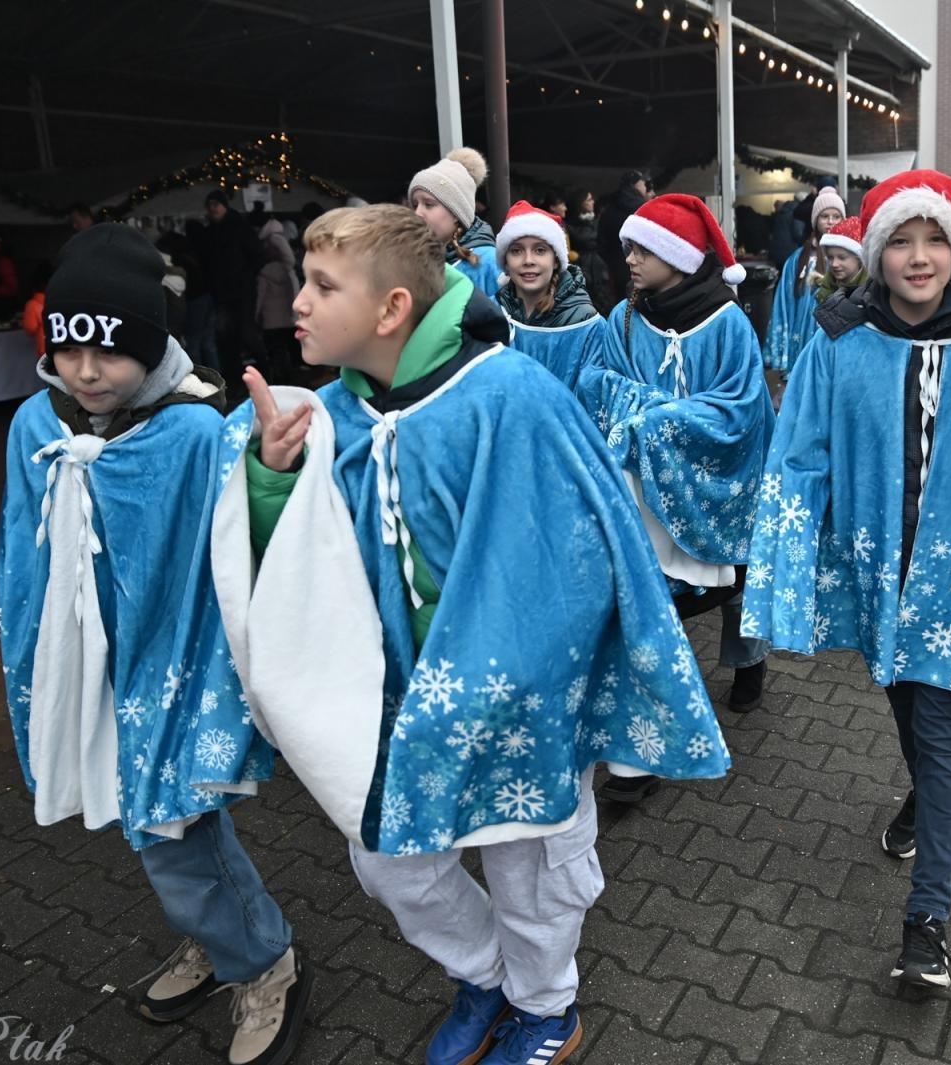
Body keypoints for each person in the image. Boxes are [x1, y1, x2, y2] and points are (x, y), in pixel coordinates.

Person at [217, 204, 730, 1065]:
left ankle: (546, 1008)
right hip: (392, 705)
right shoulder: (324, 417)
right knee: (389, 860)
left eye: (321, 285)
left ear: (391, 310)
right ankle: (487, 976)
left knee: (531, 873)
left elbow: (577, 558)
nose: (296, 303)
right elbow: (296, 572)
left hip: (516, 706)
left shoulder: (511, 396)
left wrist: (505, 677)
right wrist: (273, 479)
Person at [741, 169, 951, 994]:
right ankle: (920, 799)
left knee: (944, 731)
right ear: (875, 250)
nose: (919, 256)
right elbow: (800, 452)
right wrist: (786, 554)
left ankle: (926, 921)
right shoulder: (842, 341)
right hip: (877, 572)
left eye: (935, 238)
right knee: (904, 703)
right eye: (901, 238)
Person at [0, 224, 306, 1065]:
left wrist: (273, 470)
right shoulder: (36, 420)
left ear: (154, 345)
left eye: (112, 353)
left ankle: (264, 957)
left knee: (172, 820)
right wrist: (32, 651)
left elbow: (245, 544)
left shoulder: (194, 433)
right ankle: (219, 934)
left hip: (173, 664)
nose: (87, 372)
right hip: (86, 661)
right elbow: (21, 540)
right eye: (68, 350)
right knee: (153, 820)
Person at [577, 193, 775, 802]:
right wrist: (649, 412)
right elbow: (597, 383)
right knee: (642, 614)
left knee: (729, 588)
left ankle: (748, 658)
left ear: (679, 258)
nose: (629, 258)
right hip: (641, 496)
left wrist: (658, 420)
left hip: (711, 486)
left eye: (642, 249)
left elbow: (741, 410)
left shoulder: (728, 323)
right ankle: (643, 753)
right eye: (629, 247)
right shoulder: (624, 319)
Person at [494, 200, 612, 392]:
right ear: (505, 262)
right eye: (516, 251)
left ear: (556, 260)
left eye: (540, 250)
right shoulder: (489, 315)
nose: (528, 261)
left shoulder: (587, 324)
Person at [764, 186, 844, 374]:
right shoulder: (798, 258)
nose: (830, 222)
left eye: (836, 216)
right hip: (803, 327)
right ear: (815, 220)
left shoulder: (851, 257)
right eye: (825, 216)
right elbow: (784, 300)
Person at [409, 147, 501, 299]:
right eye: (415, 204)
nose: (418, 213)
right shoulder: (411, 260)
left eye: (429, 204)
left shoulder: (489, 261)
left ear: (457, 213)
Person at [201, 189, 264, 395]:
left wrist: (244, 277)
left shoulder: (238, 228)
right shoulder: (212, 232)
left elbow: (256, 256)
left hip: (241, 291)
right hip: (224, 293)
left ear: (224, 206)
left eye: (216, 204)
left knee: (245, 333)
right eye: (210, 205)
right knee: (227, 336)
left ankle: (263, 373)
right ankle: (237, 379)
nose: (213, 209)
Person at [254, 218, 299, 384]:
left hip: (270, 320)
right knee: (285, 348)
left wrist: (256, 314)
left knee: (274, 350)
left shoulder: (264, 274)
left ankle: (278, 378)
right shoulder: (287, 273)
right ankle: (289, 375)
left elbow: (260, 296)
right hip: (286, 319)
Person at [598, 169, 650, 306]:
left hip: (616, 265)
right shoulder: (643, 208)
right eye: (643, 184)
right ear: (635, 185)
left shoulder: (609, 209)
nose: (645, 188)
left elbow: (601, 242)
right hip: (642, 262)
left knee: (621, 301)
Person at [565, 189, 611, 311]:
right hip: (582, 265)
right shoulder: (570, 224)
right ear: (580, 203)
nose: (592, 202)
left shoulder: (598, 221)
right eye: (589, 200)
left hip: (599, 265)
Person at [816, 215, 867, 303]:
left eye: (842, 258)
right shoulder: (822, 290)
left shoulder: (872, 294)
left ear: (859, 258)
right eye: (830, 257)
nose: (834, 264)